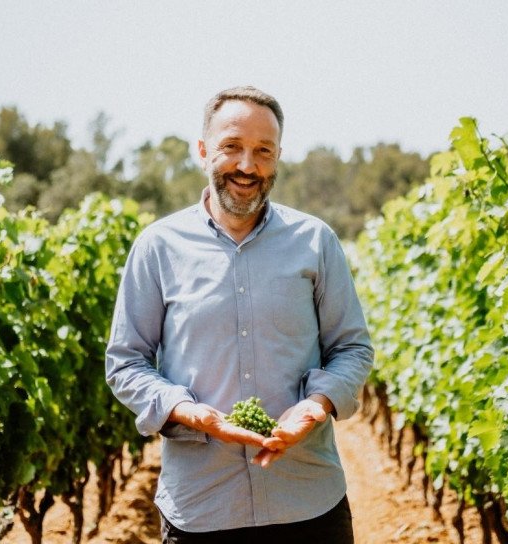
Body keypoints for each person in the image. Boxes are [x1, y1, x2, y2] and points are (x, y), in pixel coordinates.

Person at [105, 86, 374, 543]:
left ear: (278, 157)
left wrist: (316, 404)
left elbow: (351, 348)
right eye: (232, 147)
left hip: (309, 504)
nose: (247, 166)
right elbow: (126, 362)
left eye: (262, 151)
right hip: (203, 509)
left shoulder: (315, 241)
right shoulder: (158, 247)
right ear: (204, 149)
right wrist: (186, 411)